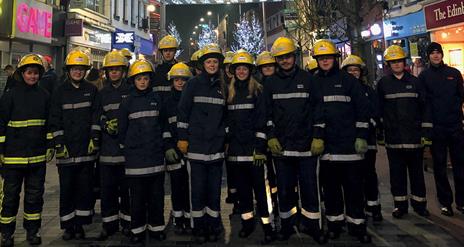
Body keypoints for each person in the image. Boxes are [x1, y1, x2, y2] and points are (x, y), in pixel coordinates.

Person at [264, 37, 326, 243]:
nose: (284, 60)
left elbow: (318, 110)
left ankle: (312, 225)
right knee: (284, 190)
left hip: (307, 147)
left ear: (294, 56)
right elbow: (266, 114)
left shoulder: (309, 80)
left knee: (310, 188)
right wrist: (271, 136)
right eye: (280, 58)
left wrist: (318, 136)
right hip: (282, 149)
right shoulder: (270, 83)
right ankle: (287, 225)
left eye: (287, 56)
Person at [312, 39, 371, 243]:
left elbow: (362, 110)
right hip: (328, 148)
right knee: (331, 191)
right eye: (321, 58)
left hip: (350, 148)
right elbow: (313, 113)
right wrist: (316, 138)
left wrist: (362, 136)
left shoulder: (349, 81)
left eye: (328, 57)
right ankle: (335, 225)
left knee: (354, 190)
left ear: (335, 59)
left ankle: (358, 226)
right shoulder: (314, 82)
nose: (325, 61)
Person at [118, 59, 174, 244]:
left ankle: (156, 229)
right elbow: (122, 130)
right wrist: (128, 149)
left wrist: (165, 147)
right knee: (138, 199)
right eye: (139, 78)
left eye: (146, 78)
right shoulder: (127, 103)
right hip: (135, 160)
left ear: (150, 79)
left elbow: (164, 125)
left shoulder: (157, 99)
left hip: (155, 157)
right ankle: (137, 231)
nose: (143, 82)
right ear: (133, 80)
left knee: (156, 197)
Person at [0, 54, 53, 246]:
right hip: (13, 158)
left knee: (34, 198)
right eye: (29, 73)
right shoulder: (10, 96)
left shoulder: (45, 96)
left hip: (37, 157)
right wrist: (1, 151)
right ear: (22, 73)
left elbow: (49, 124)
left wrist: (50, 145)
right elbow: (1, 124)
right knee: (10, 198)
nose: (32, 76)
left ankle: (33, 232)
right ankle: (7, 234)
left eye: (36, 73)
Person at [177, 43, 227, 244]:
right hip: (196, 149)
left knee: (213, 192)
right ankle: (198, 228)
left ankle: (213, 226)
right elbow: (183, 113)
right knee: (197, 191)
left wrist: (225, 139)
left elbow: (226, 117)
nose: (212, 64)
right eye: (209, 61)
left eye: (215, 61)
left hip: (215, 149)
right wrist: (182, 138)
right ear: (202, 64)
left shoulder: (223, 87)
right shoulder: (192, 84)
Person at [48, 49, 98, 241]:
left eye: (81, 69)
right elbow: (55, 118)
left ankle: (80, 225)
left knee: (84, 190)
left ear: (85, 71)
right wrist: (59, 143)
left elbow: (95, 115)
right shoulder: (59, 91)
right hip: (66, 152)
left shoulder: (91, 90)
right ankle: (68, 226)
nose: (77, 72)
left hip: (86, 151)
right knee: (67, 190)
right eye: (74, 69)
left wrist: (94, 138)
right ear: (68, 70)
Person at [225, 50, 275, 243]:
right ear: (234, 71)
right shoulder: (230, 92)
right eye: (238, 68)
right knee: (244, 192)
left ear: (250, 70)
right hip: (237, 154)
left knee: (262, 193)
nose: (241, 72)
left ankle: (266, 224)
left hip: (254, 153)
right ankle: (247, 224)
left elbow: (262, 120)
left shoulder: (257, 90)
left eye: (244, 68)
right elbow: (227, 119)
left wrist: (260, 148)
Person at [377, 45, 431, 219]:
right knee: (397, 175)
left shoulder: (416, 82)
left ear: (404, 62)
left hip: (414, 139)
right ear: (388, 64)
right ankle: (400, 206)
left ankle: (420, 205)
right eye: (393, 62)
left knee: (417, 174)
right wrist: (380, 132)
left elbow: (425, 108)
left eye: (399, 61)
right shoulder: (383, 84)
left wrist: (426, 133)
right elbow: (379, 110)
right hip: (393, 139)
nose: (397, 64)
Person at [419, 42, 464, 216]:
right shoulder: (424, 76)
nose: (436, 55)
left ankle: (461, 201)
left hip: (455, 127)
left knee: (460, 165)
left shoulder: (454, 73)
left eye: (438, 52)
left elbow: (461, 96)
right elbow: (424, 103)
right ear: (428, 56)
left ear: (442, 55)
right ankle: (445, 202)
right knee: (439, 167)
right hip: (437, 128)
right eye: (432, 53)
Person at [92, 51, 131, 240]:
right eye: (111, 70)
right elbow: (96, 116)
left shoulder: (130, 90)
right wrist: (104, 124)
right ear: (106, 73)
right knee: (107, 191)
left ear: (123, 71)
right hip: (107, 152)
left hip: (125, 153)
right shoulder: (102, 93)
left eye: (117, 70)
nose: (114, 73)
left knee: (126, 191)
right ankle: (109, 225)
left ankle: (127, 223)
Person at [341, 55, 383, 222]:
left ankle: (374, 207)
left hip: (368, 142)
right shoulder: (342, 90)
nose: (353, 73)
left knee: (369, 175)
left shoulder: (368, 91)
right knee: (354, 179)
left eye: (356, 70)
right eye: (350, 70)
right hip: (349, 142)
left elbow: (375, 113)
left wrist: (367, 128)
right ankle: (357, 207)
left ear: (361, 72)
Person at [165, 62, 192, 234]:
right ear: (172, 81)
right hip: (174, 151)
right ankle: (178, 217)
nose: (180, 83)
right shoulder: (166, 103)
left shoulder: (192, 99)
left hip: (190, 150)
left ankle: (189, 217)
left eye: (183, 80)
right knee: (176, 186)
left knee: (189, 186)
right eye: (177, 80)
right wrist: (168, 147)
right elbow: (164, 128)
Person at [255, 51, 279, 216]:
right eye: (265, 67)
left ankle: (280, 203)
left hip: (280, 138)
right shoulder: (257, 88)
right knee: (265, 176)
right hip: (263, 140)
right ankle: (267, 205)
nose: (268, 69)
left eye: (271, 66)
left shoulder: (282, 83)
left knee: (280, 176)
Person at [222, 50, 239, 214]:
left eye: (231, 66)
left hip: (239, 135)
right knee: (231, 168)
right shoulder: (220, 84)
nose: (228, 69)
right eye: (226, 66)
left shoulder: (241, 84)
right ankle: (233, 197)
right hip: (226, 136)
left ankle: (239, 199)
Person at [152, 35, 178, 102]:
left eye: (171, 50)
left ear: (175, 52)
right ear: (162, 52)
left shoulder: (180, 69)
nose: (168, 53)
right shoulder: (156, 70)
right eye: (165, 50)